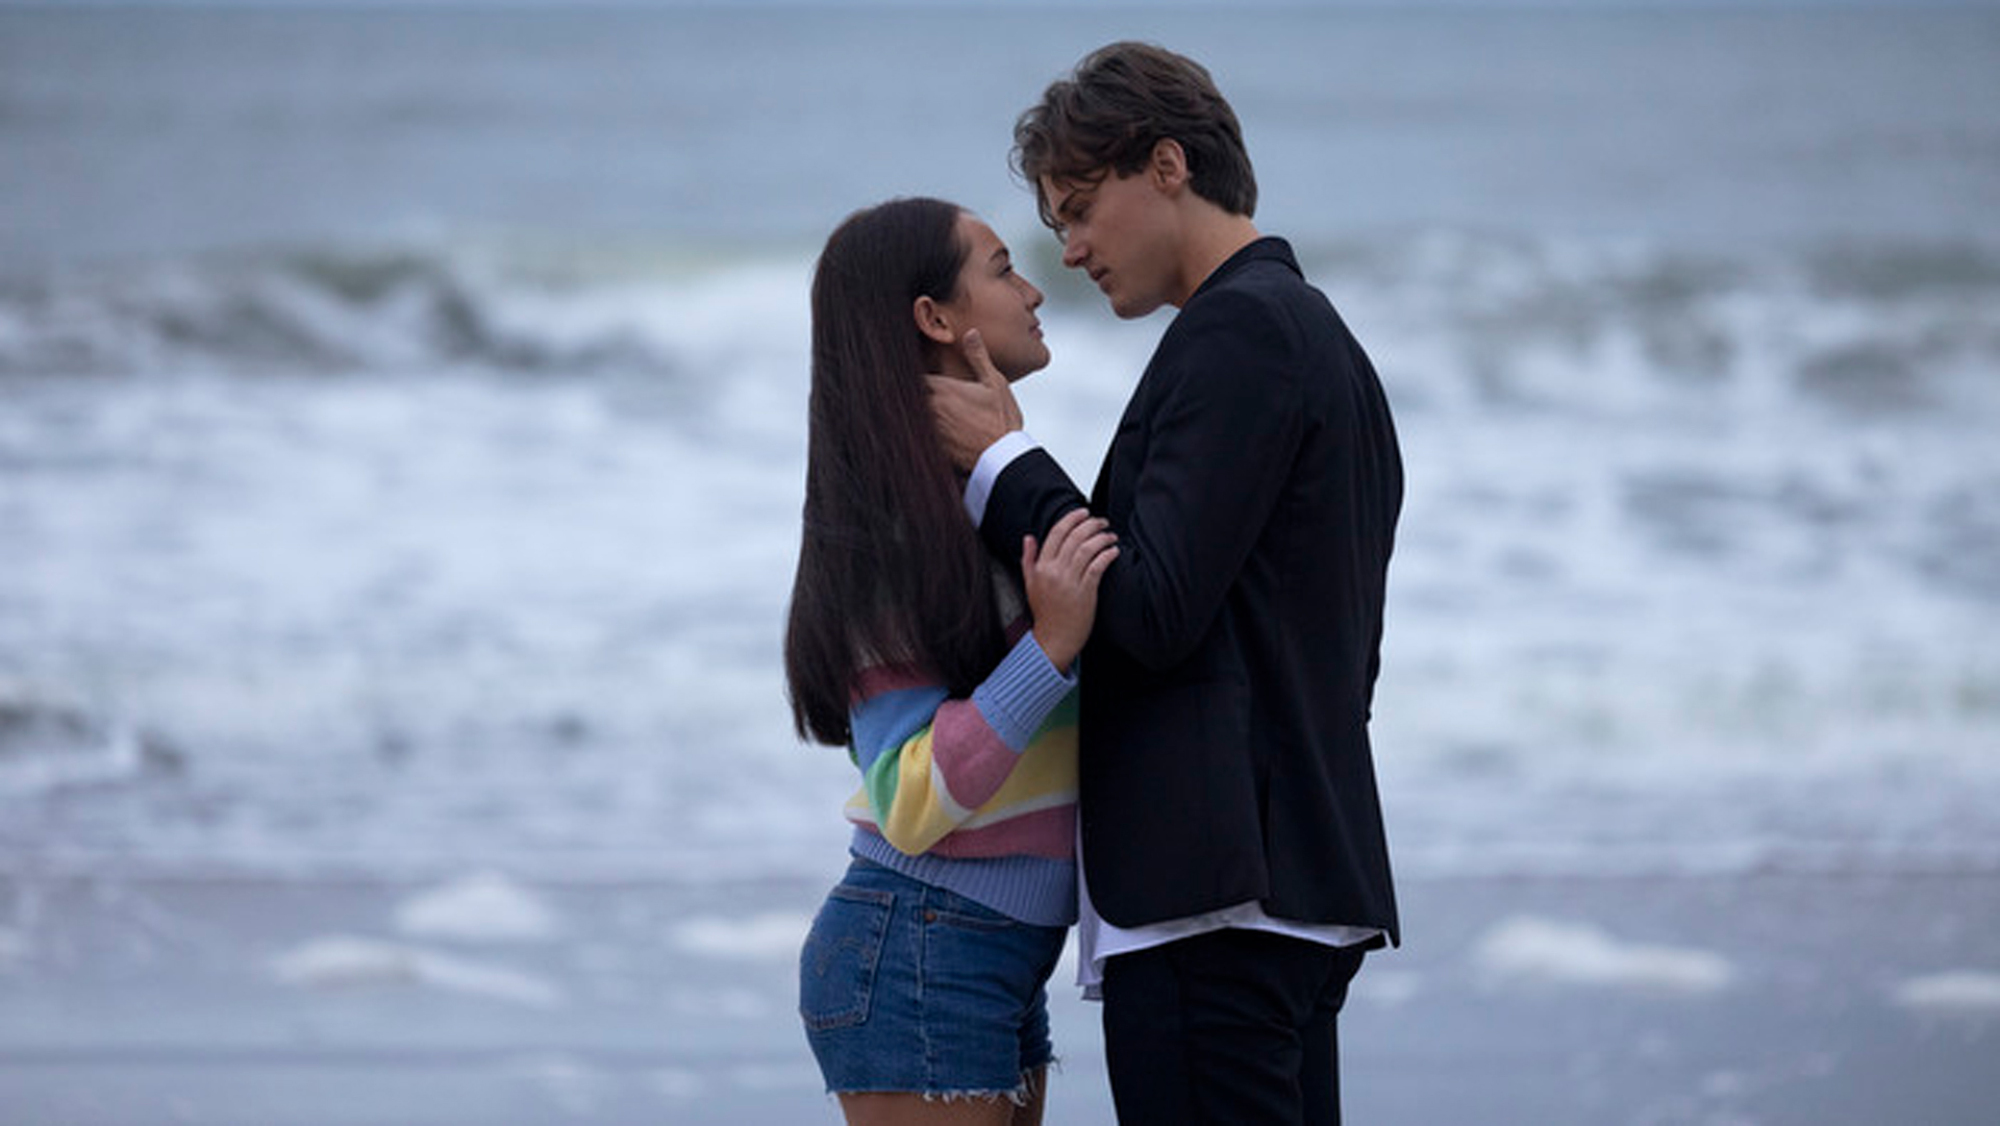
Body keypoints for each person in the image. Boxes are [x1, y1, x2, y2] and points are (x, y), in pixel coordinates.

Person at [927, 43, 1404, 1126]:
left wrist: (1005, 463)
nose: (1075, 249)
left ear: (1168, 165)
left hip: (1217, 904)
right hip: (1281, 886)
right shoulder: (1318, 341)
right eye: (1054, 227)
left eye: (1082, 207)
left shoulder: (1242, 332)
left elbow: (1146, 610)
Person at [785, 196, 1119, 1125]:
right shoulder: (896, 534)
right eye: (1005, 268)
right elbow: (908, 794)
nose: (1035, 288)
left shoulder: (983, 502)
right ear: (935, 318)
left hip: (992, 954)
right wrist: (1049, 647)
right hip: (919, 945)